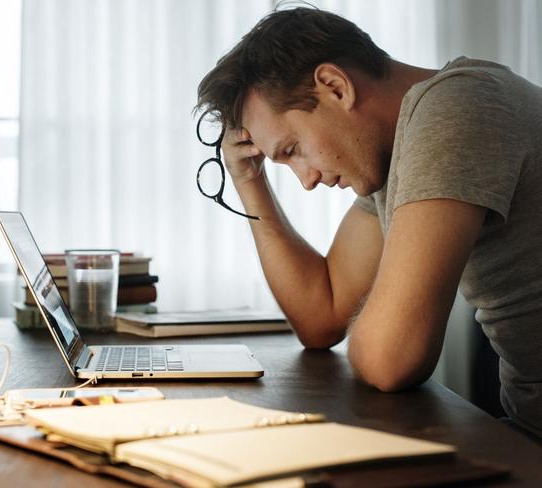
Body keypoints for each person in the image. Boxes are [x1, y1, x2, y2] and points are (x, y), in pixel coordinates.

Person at [195, 6, 542, 439]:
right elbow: (322, 317)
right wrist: (250, 179)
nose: (306, 180)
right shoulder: (394, 152)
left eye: (293, 149)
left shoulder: (459, 108)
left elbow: (390, 359)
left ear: (335, 87)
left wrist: (379, 328)